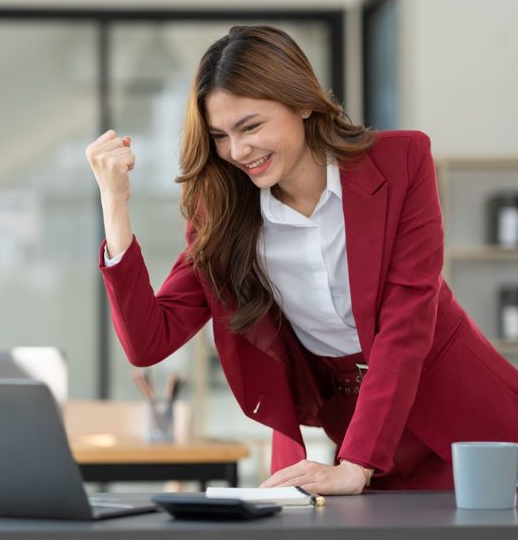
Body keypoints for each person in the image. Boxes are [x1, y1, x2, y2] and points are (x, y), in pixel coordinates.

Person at [85, 25, 518, 495]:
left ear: (303, 103)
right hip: (361, 434)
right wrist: (114, 205)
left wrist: (357, 462)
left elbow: (406, 322)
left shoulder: (401, 162)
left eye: (251, 126)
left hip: (470, 421)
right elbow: (148, 342)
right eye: (220, 136)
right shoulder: (226, 212)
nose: (237, 150)